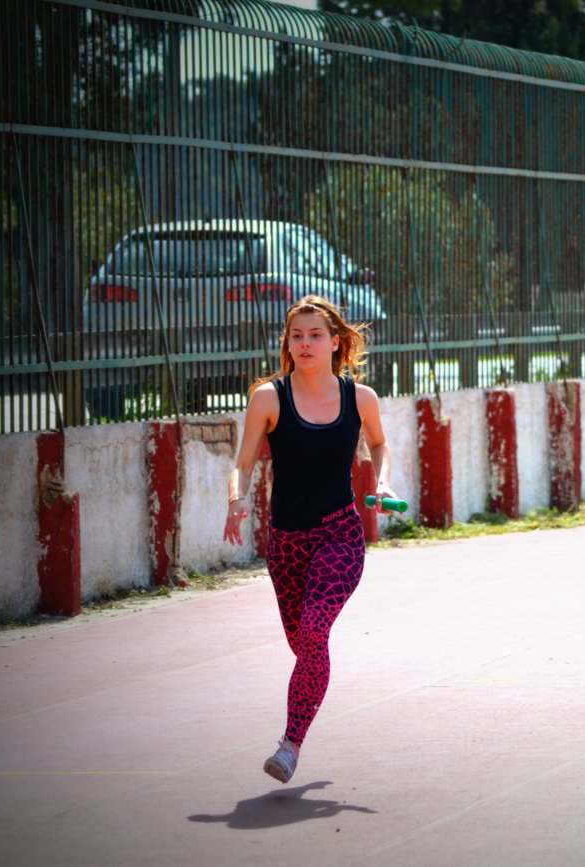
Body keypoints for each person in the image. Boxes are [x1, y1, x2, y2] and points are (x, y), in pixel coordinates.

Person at [224, 295, 398, 783]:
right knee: (304, 644)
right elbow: (242, 463)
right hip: (286, 543)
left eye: (315, 335)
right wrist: (236, 498)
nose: (305, 343)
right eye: (296, 336)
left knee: (315, 632)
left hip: (340, 534)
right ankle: (304, 714)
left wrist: (383, 483)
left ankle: (290, 745)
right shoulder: (269, 398)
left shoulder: (360, 398)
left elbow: (379, 443)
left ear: (335, 342)